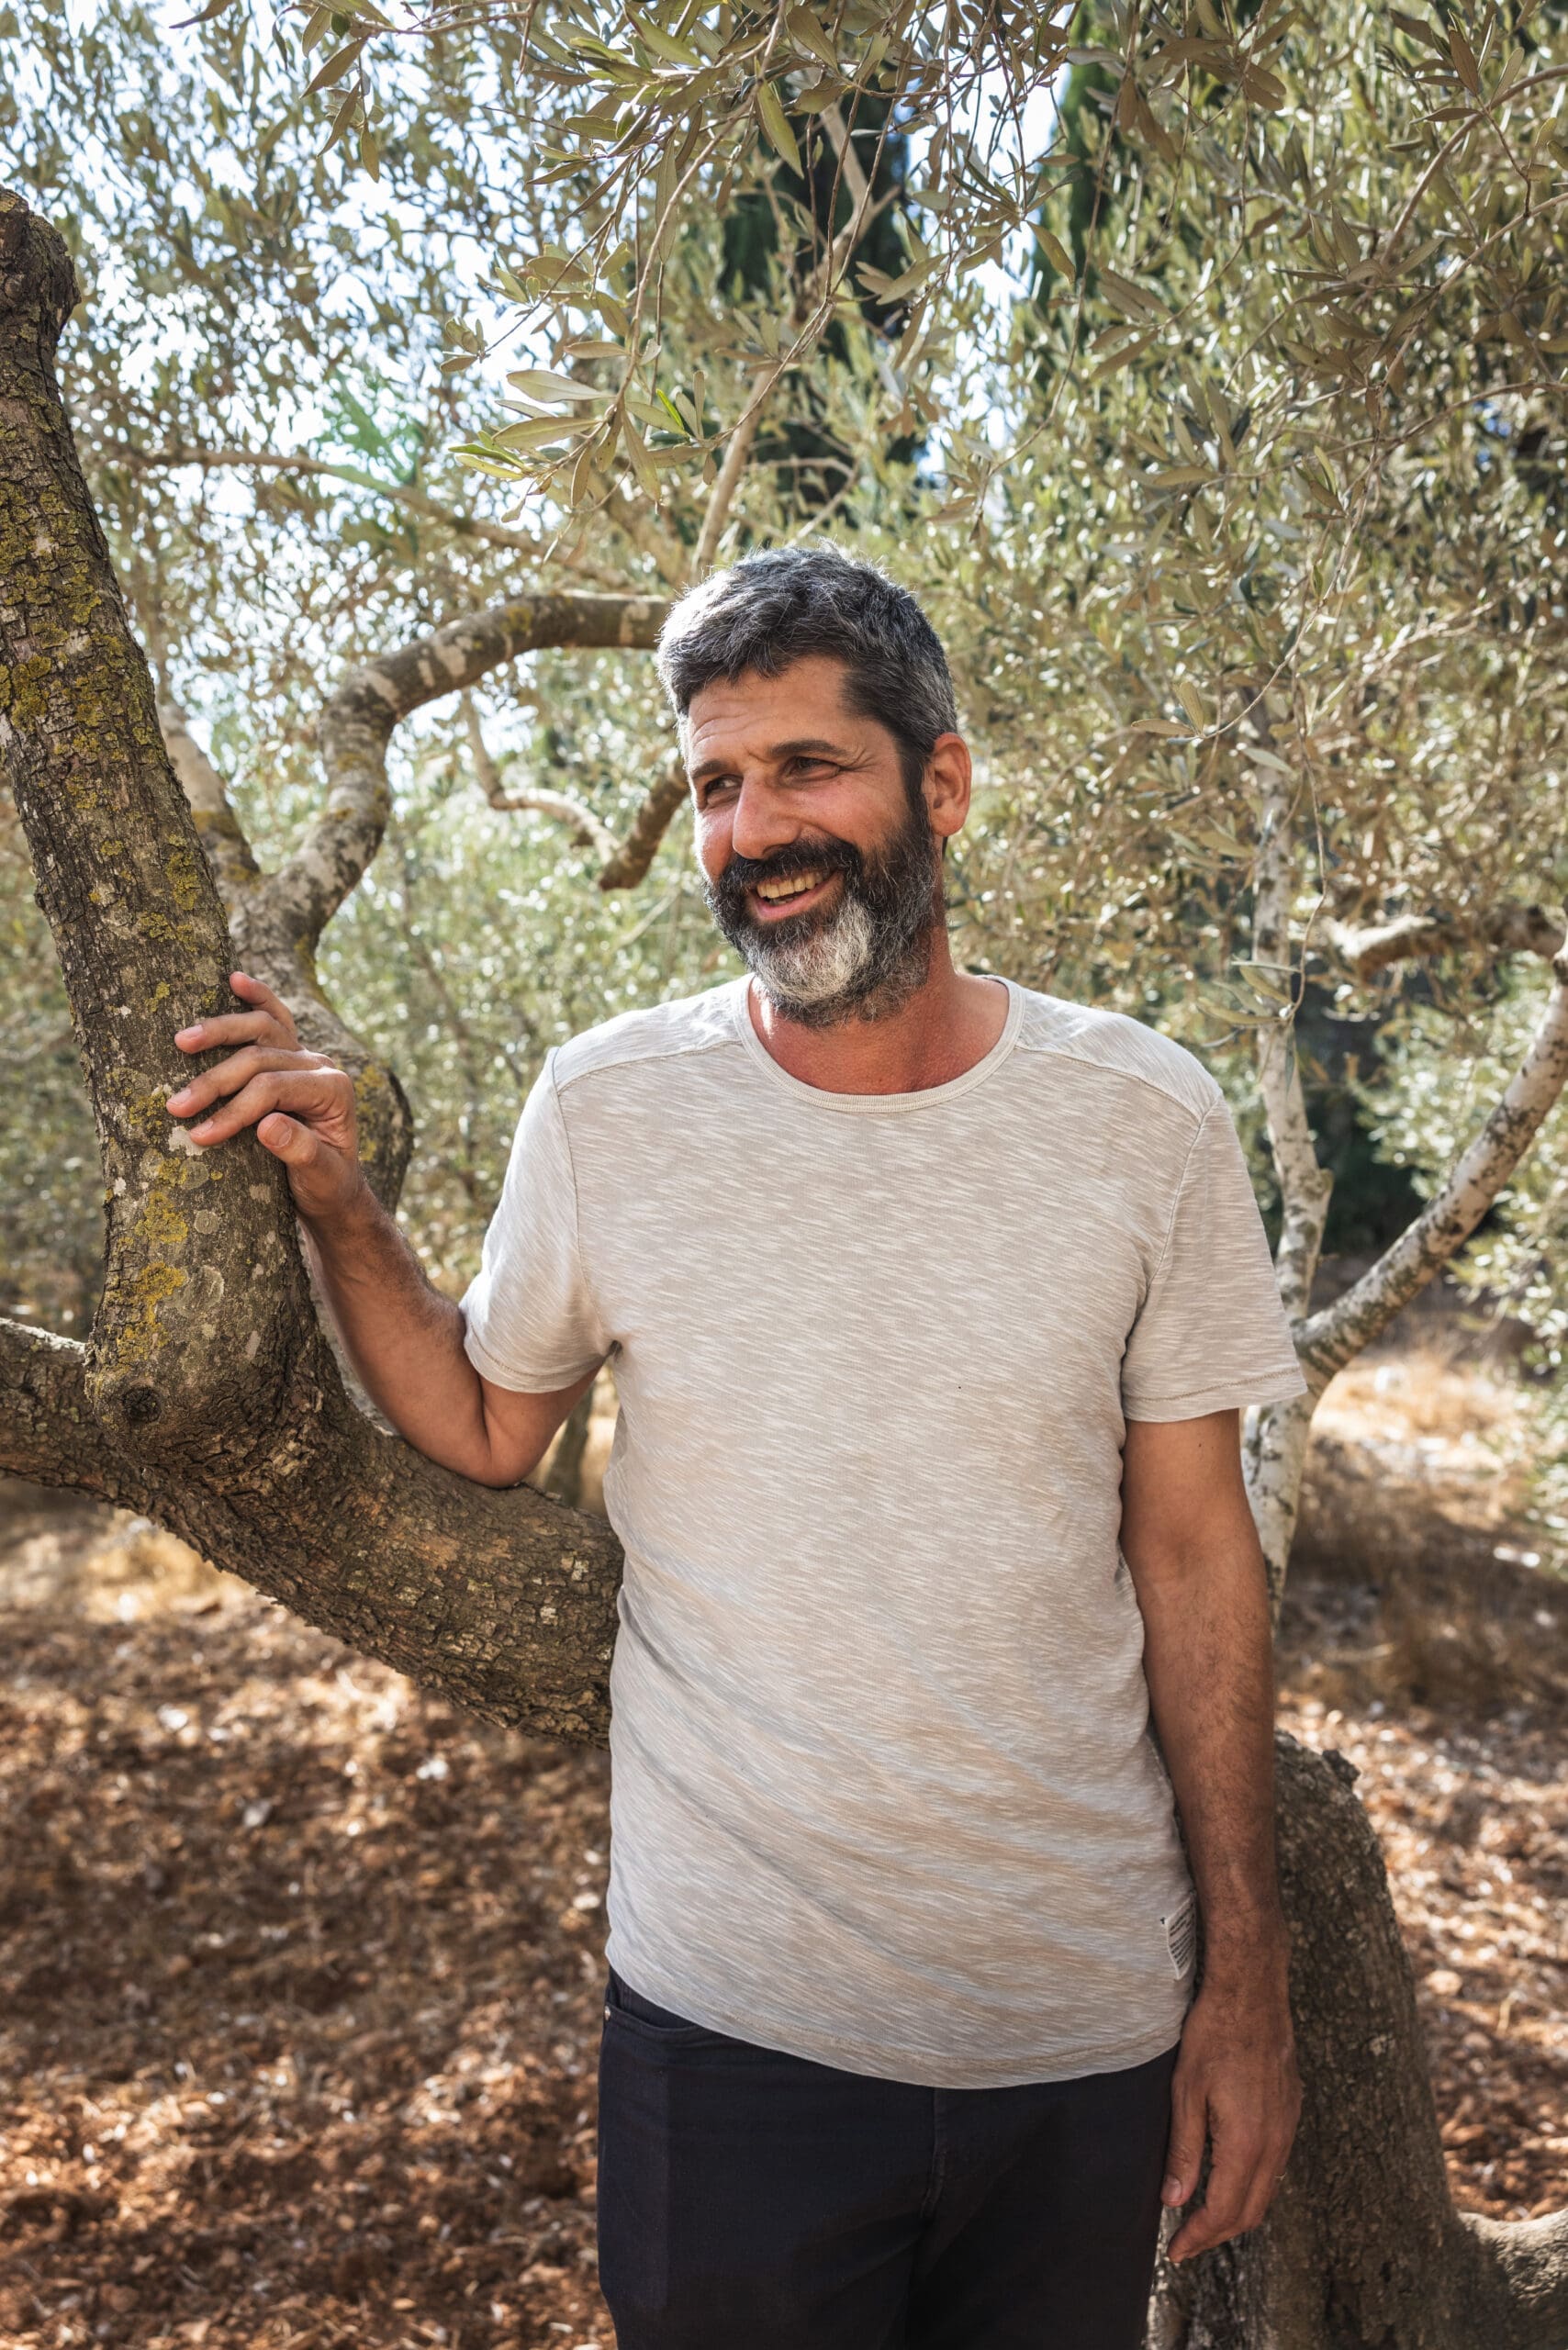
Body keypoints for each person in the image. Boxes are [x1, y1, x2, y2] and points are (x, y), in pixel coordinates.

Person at [165, 544, 1305, 2349]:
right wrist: (331, 1195)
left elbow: (1189, 1546)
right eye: (712, 782)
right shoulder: (610, 1105)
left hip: (1078, 2031)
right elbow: (478, 1416)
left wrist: (1243, 1978)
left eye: (803, 766)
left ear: (936, 781)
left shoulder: (1139, 1119)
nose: (752, 825)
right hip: (730, 2042)